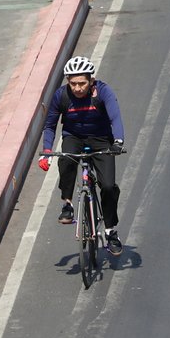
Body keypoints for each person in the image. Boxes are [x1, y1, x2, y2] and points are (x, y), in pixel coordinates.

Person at [38, 56, 126, 256]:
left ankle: (111, 231)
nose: (77, 88)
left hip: (101, 139)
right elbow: (50, 125)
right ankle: (67, 205)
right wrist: (47, 151)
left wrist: (118, 141)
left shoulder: (103, 92)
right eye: (73, 83)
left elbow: (115, 117)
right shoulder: (61, 96)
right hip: (74, 137)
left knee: (108, 187)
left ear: (91, 80)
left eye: (82, 83)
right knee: (66, 159)